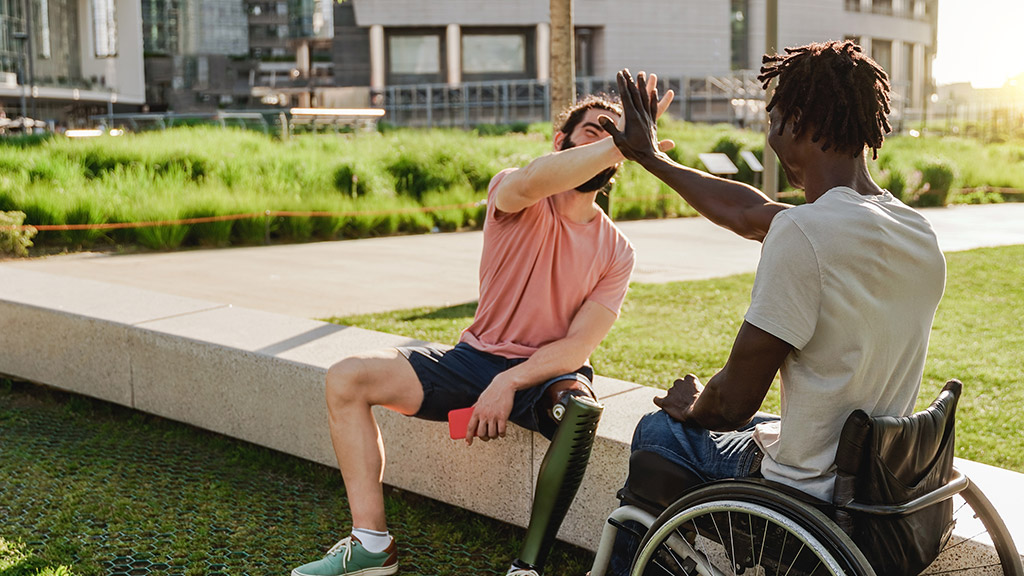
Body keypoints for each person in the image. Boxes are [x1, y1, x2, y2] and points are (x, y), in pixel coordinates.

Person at [291, 86, 674, 576]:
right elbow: (536, 177)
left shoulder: (618, 249)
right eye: (595, 131)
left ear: (620, 164)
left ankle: (527, 566)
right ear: (561, 142)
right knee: (347, 376)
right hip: (474, 360)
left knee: (579, 411)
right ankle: (371, 544)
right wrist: (627, 141)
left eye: (617, 136)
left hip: (545, 374)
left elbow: (578, 346)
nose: (608, 140)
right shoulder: (516, 194)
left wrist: (510, 382)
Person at [599, 41, 946, 574]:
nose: (770, 132)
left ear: (798, 121)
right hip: (876, 477)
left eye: (774, 117)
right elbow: (750, 211)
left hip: (808, 492)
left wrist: (695, 405)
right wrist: (651, 157)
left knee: (658, 433)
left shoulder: (803, 234)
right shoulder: (915, 231)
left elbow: (733, 404)